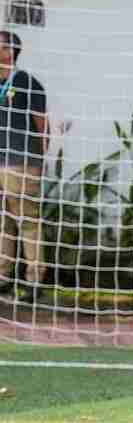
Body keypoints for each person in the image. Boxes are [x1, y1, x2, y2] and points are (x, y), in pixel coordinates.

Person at [0, 28, 49, 300]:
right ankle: (3, 277)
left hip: (22, 163)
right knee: (3, 223)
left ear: (10, 51)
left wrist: (39, 161)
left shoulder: (28, 83)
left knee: (28, 221)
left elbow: (42, 126)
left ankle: (34, 280)